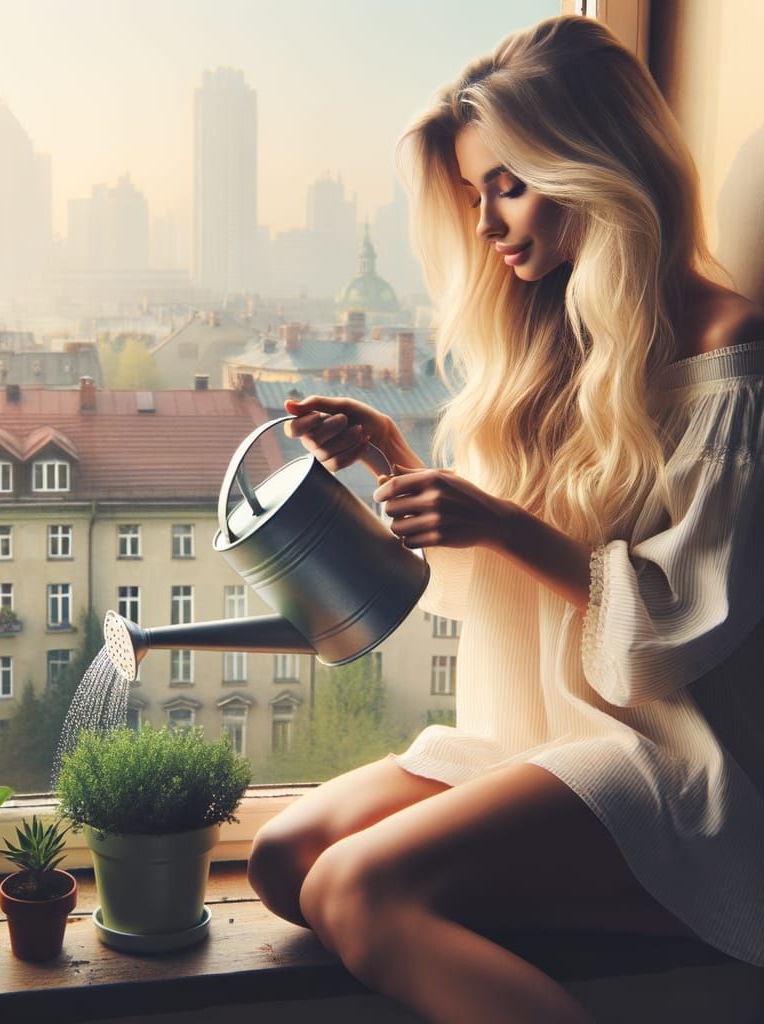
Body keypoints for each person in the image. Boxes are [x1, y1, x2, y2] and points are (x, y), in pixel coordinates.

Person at [246, 14, 764, 1024]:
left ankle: (706, 884)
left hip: (675, 757)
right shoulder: (561, 338)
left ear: (595, 165)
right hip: (553, 734)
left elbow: (674, 630)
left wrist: (500, 524)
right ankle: (630, 900)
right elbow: (496, 587)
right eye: (474, 192)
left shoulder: (731, 347)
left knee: (357, 887)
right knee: (280, 860)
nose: (484, 223)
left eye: (508, 185)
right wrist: (398, 468)